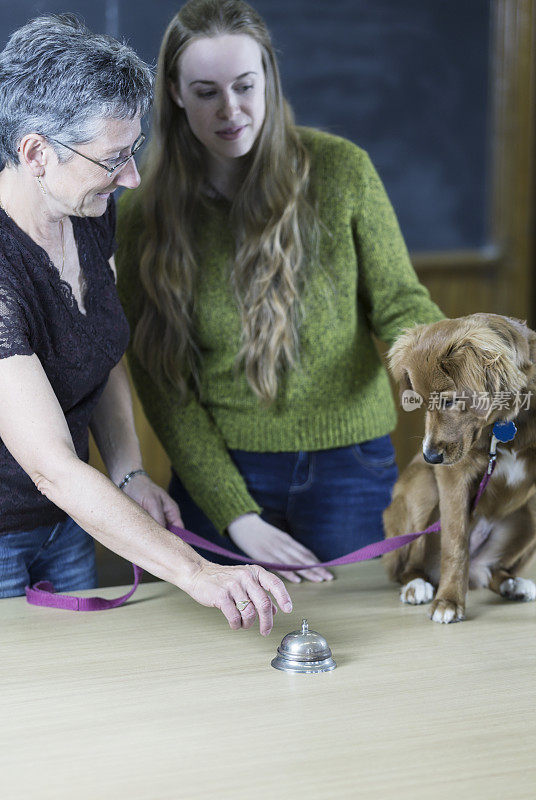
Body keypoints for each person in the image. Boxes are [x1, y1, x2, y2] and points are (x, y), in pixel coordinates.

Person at [116, 0, 445, 584]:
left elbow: (401, 306)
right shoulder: (145, 213)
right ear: (173, 92)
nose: (231, 110)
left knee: (367, 640)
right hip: (221, 470)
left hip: (351, 468)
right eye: (205, 91)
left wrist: (450, 379)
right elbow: (164, 385)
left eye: (245, 85)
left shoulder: (343, 171)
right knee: (225, 653)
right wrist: (234, 514)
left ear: (269, 75)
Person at [0, 13, 292, 635]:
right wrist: (197, 573)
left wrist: (129, 471)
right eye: (113, 159)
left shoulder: (88, 208)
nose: (132, 176)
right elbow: (49, 465)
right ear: (35, 152)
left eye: (134, 151)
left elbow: (101, 354)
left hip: (72, 521)